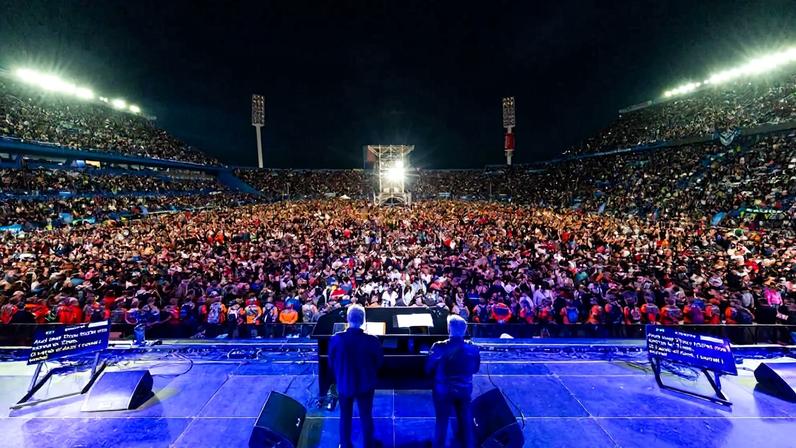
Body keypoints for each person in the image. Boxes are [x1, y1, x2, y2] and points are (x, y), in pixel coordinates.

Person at [328, 304, 384, 448]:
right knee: (366, 416)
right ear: (363, 320)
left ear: (347, 319)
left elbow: (331, 362)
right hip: (366, 385)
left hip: (344, 384)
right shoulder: (372, 340)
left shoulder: (336, 339)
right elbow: (379, 362)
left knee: (345, 416)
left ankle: (345, 445)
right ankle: (368, 444)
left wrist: (341, 375)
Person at [426, 314, 481, 448]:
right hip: (464, 389)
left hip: (443, 390)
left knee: (442, 422)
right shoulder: (472, 348)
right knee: (466, 423)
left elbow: (428, 368)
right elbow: (475, 369)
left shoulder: (439, 347)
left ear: (449, 328)